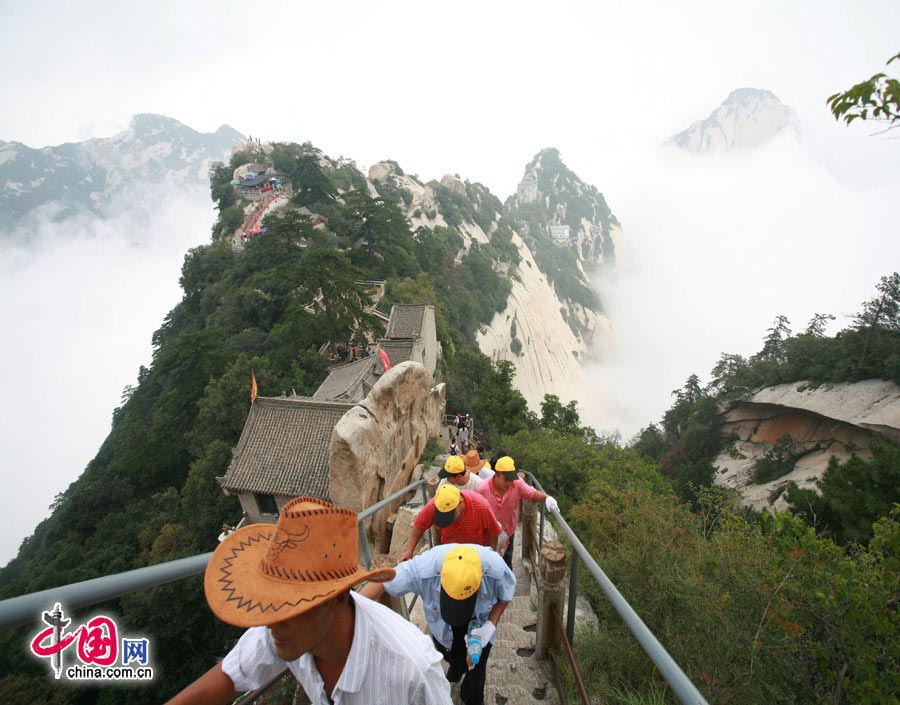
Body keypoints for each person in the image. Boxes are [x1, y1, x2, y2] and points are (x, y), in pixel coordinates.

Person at [165, 497, 451, 705]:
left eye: (293, 604)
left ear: (337, 599)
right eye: (272, 602)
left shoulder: (412, 672)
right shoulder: (285, 630)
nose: (271, 621)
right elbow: (230, 676)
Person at [361, 544, 515, 705]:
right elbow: (384, 582)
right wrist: (349, 607)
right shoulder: (423, 569)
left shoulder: (495, 567)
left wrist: (490, 625)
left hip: (480, 630)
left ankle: (470, 697)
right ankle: (456, 670)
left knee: (476, 672)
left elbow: (506, 594)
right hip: (444, 633)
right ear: (440, 577)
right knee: (452, 657)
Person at [475, 456, 559, 569]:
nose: (509, 483)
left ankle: (507, 584)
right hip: (488, 534)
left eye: (511, 479)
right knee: (488, 563)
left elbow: (531, 493)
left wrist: (547, 498)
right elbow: (477, 512)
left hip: (508, 530)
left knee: (507, 560)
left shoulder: (517, 484)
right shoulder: (482, 489)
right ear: (497, 474)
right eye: (506, 479)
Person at [399, 484, 501, 562]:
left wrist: (491, 555)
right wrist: (409, 550)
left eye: (451, 514)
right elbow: (419, 526)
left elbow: (494, 532)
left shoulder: (481, 508)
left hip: (476, 553)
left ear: (460, 502)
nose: (450, 520)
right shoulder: (432, 507)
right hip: (450, 551)